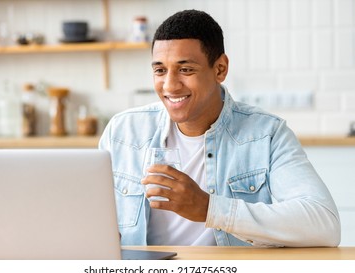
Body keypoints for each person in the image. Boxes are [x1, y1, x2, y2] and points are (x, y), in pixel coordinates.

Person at [99, 9, 341, 247]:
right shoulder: (122, 132)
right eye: (160, 70)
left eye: (185, 69)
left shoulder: (266, 134)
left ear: (220, 69)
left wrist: (210, 209)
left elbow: (324, 225)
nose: (170, 86)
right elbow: (91, 217)